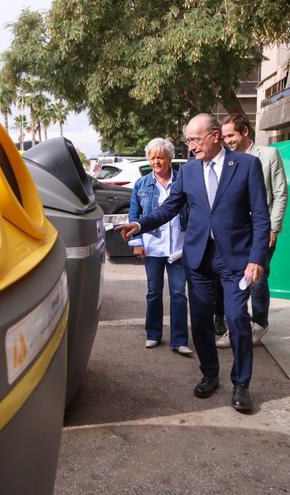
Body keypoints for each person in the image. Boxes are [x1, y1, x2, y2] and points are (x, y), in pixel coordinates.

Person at [116, 114, 270, 413]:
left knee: (237, 319)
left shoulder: (246, 165)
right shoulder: (187, 172)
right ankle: (210, 375)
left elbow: (261, 217)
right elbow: (169, 208)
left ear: (215, 136)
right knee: (199, 322)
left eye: (195, 139)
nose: (191, 146)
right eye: (188, 141)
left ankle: (241, 384)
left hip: (235, 258)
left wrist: (256, 258)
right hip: (198, 257)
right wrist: (139, 225)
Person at [219, 113, 288, 347]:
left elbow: (280, 194)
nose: (227, 140)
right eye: (224, 136)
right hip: (235, 232)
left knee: (257, 280)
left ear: (245, 132)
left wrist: (273, 228)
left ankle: (259, 324)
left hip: (262, 230)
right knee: (232, 281)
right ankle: (237, 326)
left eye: (231, 135)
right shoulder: (225, 159)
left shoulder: (269, 155)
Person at [128, 138, 191, 355]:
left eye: (160, 157)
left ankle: (180, 339)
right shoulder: (141, 184)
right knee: (153, 292)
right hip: (153, 246)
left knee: (178, 293)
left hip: (179, 248)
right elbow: (134, 215)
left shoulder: (183, 180)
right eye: (152, 157)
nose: (156, 161)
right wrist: (136, 243)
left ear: (170, 158)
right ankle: (153, 334)